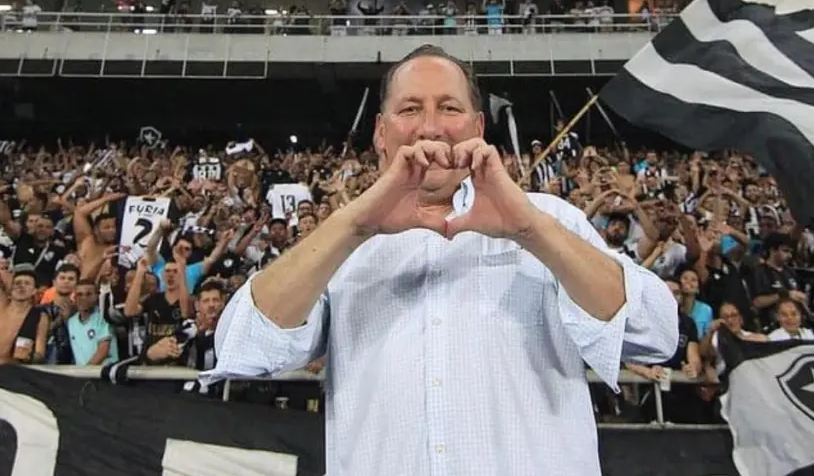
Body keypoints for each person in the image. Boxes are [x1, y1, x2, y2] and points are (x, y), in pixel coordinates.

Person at [201, 45, 679, 476]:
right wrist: (353, 228)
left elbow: (655, 332)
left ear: (477, 129)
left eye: (448, 108)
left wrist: (531, 231)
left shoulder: (548, 220)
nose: (430, 127)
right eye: (410, 109)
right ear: (381, 134)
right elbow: (243, 347)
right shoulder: (342, 242)